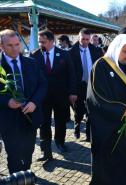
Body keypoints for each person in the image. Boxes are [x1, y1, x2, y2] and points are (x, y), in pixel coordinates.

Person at [86, 34, 126, 185]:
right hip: (109, 129)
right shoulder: (101, 66)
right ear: (117, 49)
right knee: (110, 169)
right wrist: (121, 110)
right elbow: (96, 97)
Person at [0, 29, 47, 173]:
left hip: (30, 117)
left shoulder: (31, 63)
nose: (15, 49)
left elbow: (43, 84)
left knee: (28, 152)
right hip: (8, 119)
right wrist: (7, 101)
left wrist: (34, 102)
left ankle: (25, 174)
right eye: (10, 46)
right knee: (14, 155)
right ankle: (16, 179)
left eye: (17, 44)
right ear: (1, 46)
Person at [30, 29, 77, 161]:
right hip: (42, 97)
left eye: (43, 42)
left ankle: (60, 142)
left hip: (61, 95)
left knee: (60, 121)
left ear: (52, 41)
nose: (40, 44)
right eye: (39, 41)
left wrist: (73, 92)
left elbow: (71, 74)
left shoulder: (64, 54)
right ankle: (46, 151)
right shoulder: (34, 55)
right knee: (44, 123)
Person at [69, 28, 103, 141]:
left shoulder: (96, 51)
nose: (85, 41)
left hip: (91, 85)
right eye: (83, 39)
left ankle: (89, 134)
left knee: (91, 110)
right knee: (79, 110)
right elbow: (70, 73)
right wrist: (72, 91)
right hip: (78, 85)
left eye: (87, 39)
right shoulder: (71, 52)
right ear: (78, 37)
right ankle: (77, 125)